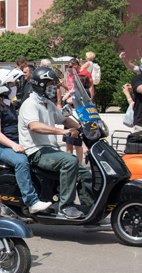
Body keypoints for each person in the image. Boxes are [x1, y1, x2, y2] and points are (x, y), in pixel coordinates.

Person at [18, 66, 94, 219]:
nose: (54, 87)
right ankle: (66, 207)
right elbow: (34, 126)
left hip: (50, 151)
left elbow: (64, 118)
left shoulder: (48, 103)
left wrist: (86, 128)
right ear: (40, 85)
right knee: (70, 160)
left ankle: (88, 209)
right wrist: (62, 131)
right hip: (36, 151)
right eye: (51, 83)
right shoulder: (30, 104)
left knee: (85, 173)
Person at [0, 69, 51, 214]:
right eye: (11, 84)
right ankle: (32, 201)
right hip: (1, 146)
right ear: (1, 85)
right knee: (21, 162)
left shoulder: (9, 105)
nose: (14, 86)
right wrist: (14, 145)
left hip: (14, 143)